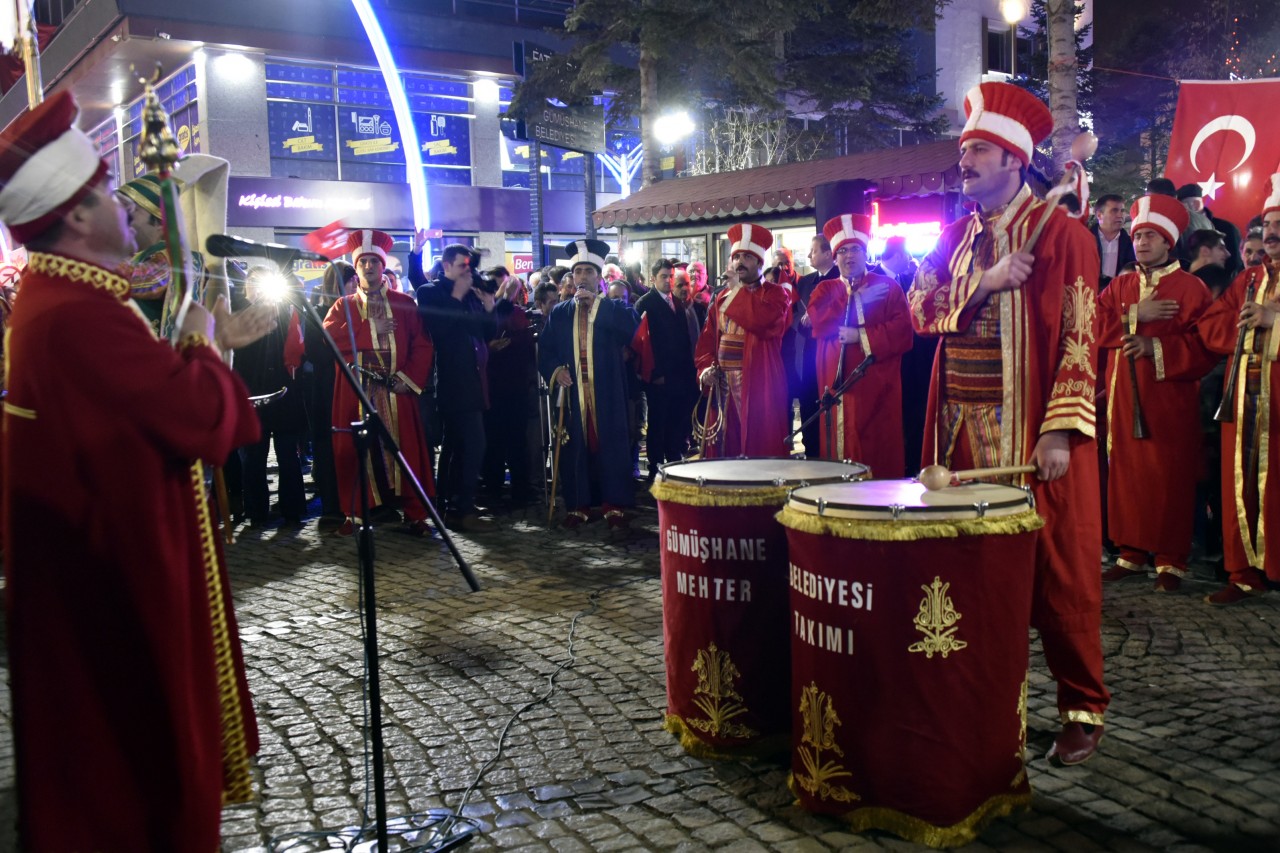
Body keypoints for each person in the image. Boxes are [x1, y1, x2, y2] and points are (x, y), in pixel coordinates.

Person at [0, 91, 275, 852]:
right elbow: (192, 418)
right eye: (114, 197)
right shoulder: (74, 314)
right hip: (115, 589)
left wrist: (207, 342)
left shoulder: (67, 299)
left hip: (106, 573)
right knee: (134, 781)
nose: (133, 213)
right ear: (78, 215)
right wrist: (206, 344)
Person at [907, 82, 1108, 765]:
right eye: (964, 152)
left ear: (1014, 162)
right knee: (966, 561)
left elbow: (1084, 337)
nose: (965, 163)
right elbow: (917, 307)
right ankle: (980, 698)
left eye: (980, 152)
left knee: (1054, 567)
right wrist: (984, 283)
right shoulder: (956, 237)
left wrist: (1061, 429)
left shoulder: (1065, 234)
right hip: (955, 422)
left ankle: (1082, 706)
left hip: (1027, 428)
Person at [1098, 195, 1215, 592]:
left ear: (1169, 242)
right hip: (1124, 397)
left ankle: (1170, 561)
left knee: (1169, 476)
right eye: (1137, 235)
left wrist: (1155, 348)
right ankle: (1130, 553)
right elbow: (1093, 327)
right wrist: (1135, 316)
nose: (1141, 242)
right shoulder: (1120, 285)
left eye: (1151, 235)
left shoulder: (1192, 288)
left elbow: (1207, 346)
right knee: (1127, 474)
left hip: (1169, 400)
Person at [1195, 173, 1280, 605]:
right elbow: (1212, 326)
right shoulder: (1248, 280)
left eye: (1278, 230)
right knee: (1239, 484)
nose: (1272, 237)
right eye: (1268, 229)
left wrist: (1275, 323)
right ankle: (1244, 572)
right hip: (1244, 402)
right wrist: (1245, 324)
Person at [325, 229, 436, 537]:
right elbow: (331, 339)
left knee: (405, 453)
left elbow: (423, 345)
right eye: (364, 263)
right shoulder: (342, 306)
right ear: (356, 267)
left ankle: (416, 514)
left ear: (383, 265)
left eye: (374, 261)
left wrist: (408, 379)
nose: (369, 267)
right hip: (357, 391)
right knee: (357, 452)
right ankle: (356, 515)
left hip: (396, 391)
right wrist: (370, 326)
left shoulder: (404, 303)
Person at [538, 239, 638, 529]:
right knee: (574, 446)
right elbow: (546, 350)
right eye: (578, 271)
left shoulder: (615, 308)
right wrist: (556, 371)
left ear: (599, 276)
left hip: (607, 389)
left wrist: (597, 306)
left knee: (612, 443)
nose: (582, 277)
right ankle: (578, 503)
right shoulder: (560, 312)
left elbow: (633, 331)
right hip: (574, 391)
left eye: (588, 272)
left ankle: (614, 503)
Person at [809, 214, 912, 476]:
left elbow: (903, 332)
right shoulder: (824, 290)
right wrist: (857, 298)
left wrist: (861, 336)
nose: (848, 255)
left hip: (878, 390)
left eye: (855, 248)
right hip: (837, 389)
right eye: (842, 250)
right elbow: (819, 322)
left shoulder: (888, 288)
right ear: (834, 256)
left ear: (865, 251)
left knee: (877, 451)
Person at [413, 237, 498, 532]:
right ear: (446, 265)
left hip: (476, 379)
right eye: (462, 266)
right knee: (474, 444)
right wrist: (458, 295)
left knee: (455, 446)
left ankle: (451, 504)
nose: (467, 271)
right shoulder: (430, 292)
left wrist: (489, 306)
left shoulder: (470, 294)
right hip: (450, 379)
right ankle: (460, 506)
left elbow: (486, 334)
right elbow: (438, 329)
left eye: (470, 266)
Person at [694, 223, 791, 457]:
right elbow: (708, 340)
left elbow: (762, 322)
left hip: (758, 380)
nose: (739, 262)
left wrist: (737, 290)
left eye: (747, 257)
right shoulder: (722, 298)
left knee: (759, 442)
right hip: (723, 384)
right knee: (726, 445)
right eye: (736, 256)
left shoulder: (776, 294)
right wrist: (705, 368)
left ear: (760, 262)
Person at [235, 266, 308, 526]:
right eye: (252, 282)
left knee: (288, 455)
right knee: (253, 457)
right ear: (245, 287)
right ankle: (256, 511)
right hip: (250, 396)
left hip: (284, 395)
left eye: (262, 282)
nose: (257, 287)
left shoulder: (286, 313)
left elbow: (298, 349)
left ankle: (292, 509)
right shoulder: (238, 315)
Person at [634, 257, 699, 480]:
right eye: (664, 276)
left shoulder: (678, 304)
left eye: (671, 277)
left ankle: (672, 460)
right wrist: (655, 374)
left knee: (676, 419)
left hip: (679, 374)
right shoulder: (645, 303)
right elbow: (643, 343)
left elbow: (685, 340)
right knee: (657, 423)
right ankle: (655, 465)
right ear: (653, 278)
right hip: (658, 376)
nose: (668, 281)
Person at [305, 260, 356, 521]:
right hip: (327, 389)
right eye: (351, 281)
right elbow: (315, 353)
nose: (356, 286)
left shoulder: (357, 310)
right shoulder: (315, 313)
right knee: (327, 448)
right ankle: (332, 506)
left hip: (352, 387)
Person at [481, 272, 538, 506]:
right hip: (506, 385)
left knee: (500, 440)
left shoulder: (500, 313)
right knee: (512, 441)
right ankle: (517, 489)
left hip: (503, 385)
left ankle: (497, 487)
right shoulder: (511, 314)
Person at [787, 234, 839, 456]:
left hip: (830, 353)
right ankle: (811, 452)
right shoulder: (805, 282)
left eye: (814, 251)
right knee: (808, 404)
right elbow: (795, 313)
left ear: (828, 253)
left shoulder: (840, 279)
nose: (809, 255)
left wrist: (817, 318)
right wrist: (803, 321)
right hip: (807, 355)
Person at [1091, 193, 1135, 289]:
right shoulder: (1086, 240)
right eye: (1114, 211)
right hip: (1088, 294)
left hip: (1119, 296)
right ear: (1099, 215)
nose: (1120, 215)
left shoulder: (1131, 244)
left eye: (1122, 211)